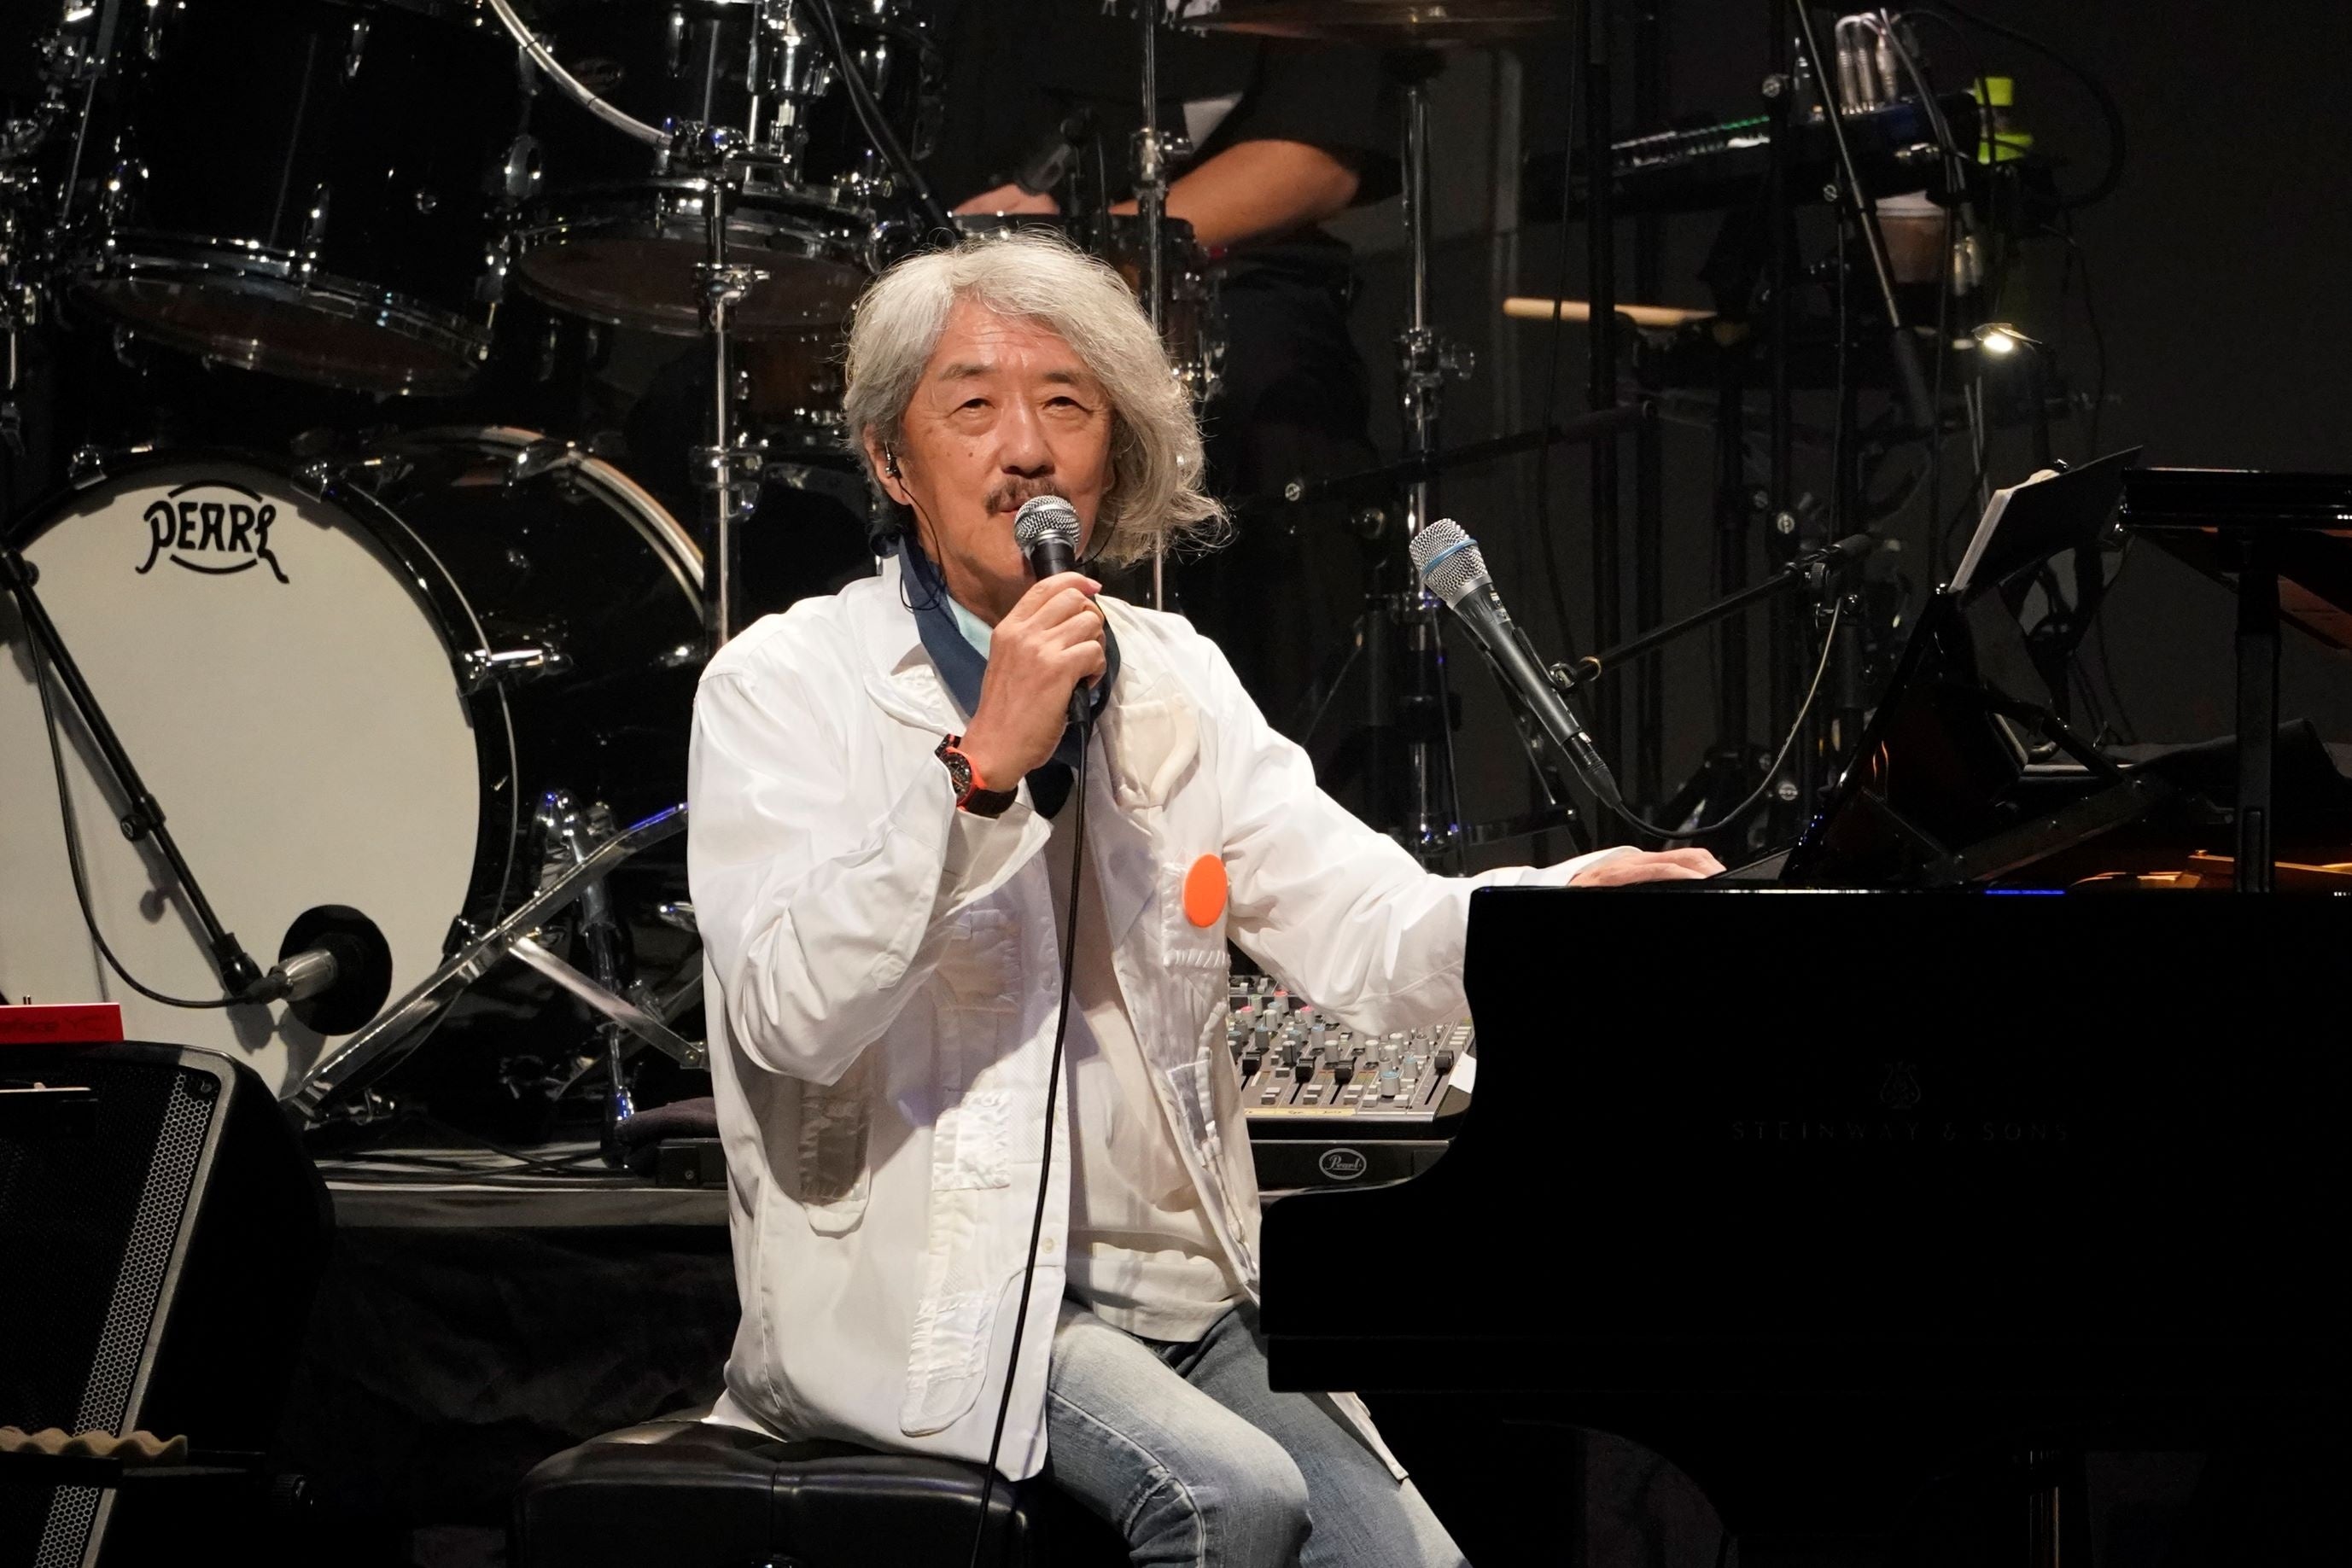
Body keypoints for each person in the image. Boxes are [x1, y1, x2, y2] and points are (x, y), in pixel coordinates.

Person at [686, 234, 1719, 1567]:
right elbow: (789, 1017)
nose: (1025, 449)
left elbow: (1361, 922)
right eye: (972, 405)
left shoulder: (1174, 675)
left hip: (1182, 1288)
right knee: (1227, 1495)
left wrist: (1556, 912)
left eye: (1066, 404)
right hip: (940, 1295)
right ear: (892, 460)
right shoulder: (783, 685)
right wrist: (978, 775)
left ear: (1113, 453)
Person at [922, 0, 1396, 726]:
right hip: (995, 268)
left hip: (1226, 280)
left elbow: (1315, 161)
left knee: (1265, 384)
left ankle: (1268, 731)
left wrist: (1083, 245)